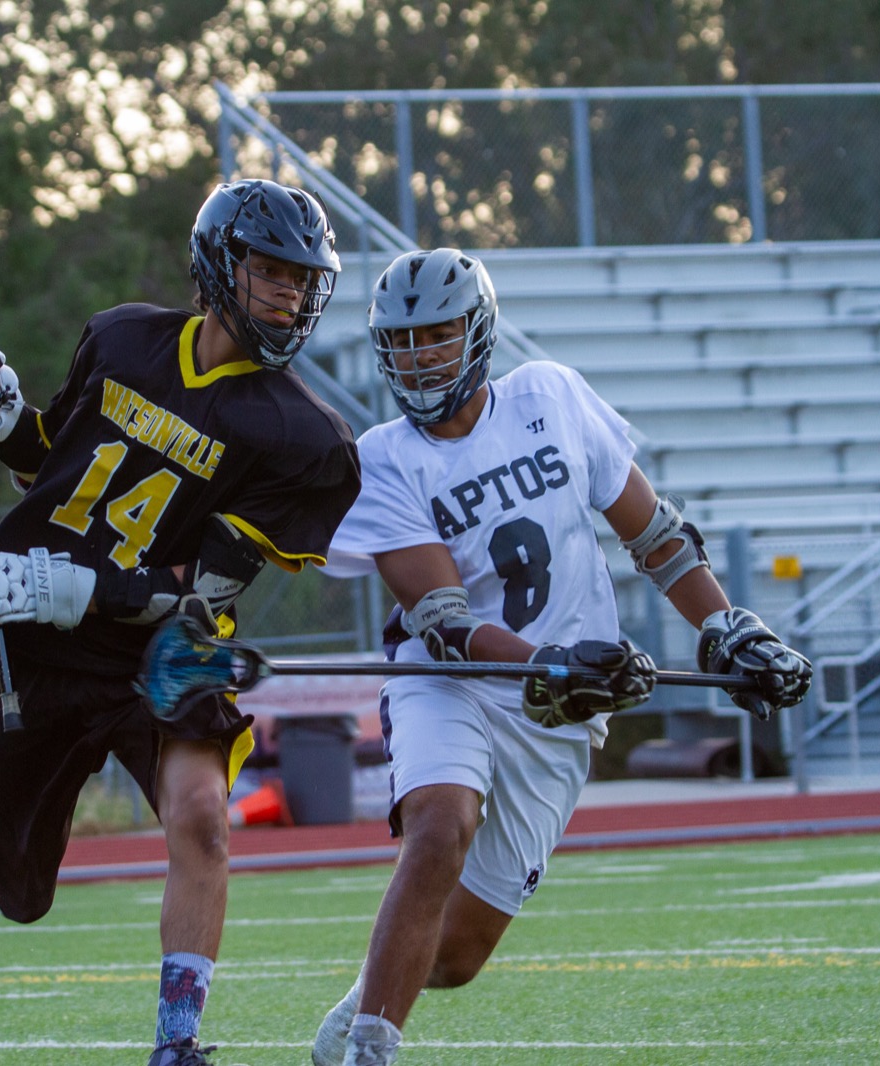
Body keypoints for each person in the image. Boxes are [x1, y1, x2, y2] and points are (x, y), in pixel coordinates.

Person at [0, 178, 361, 1066]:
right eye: (272, 273)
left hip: (163, 653)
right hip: (45, 647)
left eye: (303, 280)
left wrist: (74, 588)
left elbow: (205, 592)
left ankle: (176, 1047)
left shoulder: (306, 438)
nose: (291, 296)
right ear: (219, 267)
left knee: (203, 818)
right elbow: (43, 463)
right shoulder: (122, 338)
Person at [310, 248, 812, 1066]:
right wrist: (553, 660)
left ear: (477, 332)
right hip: (457, 683)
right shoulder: (384, 458)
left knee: (458, 956)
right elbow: (445, 625)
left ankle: (364, 1005)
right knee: (440, 827)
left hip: (562, 710)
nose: (418, 357)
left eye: (436, 336)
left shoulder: (550, 394)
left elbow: (655, 536)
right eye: (401, 342)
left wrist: (726, 628)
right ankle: (373, 1051)